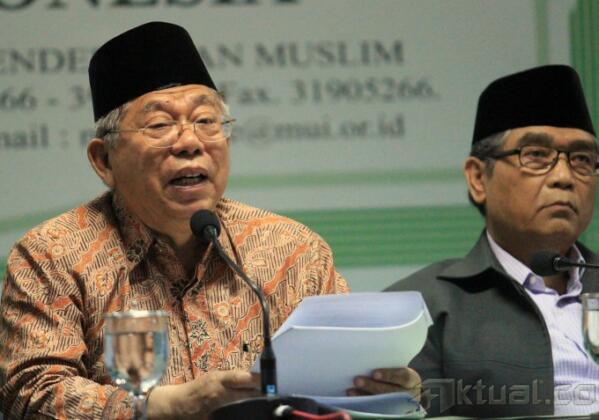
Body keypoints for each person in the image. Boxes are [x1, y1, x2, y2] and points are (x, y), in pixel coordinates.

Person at [0, 22, 353, 419]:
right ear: (104, 160)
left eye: (206, 121)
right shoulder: (52, 255)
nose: (190, 142)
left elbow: (340, 374)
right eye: (159, 125)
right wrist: (163, 408)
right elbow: (29, 394)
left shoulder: (293, 251)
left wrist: (378, 384)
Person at [384, 65, 599, 417]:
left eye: (582, 159)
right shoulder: (416, 307)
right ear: (478, 178)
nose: (563, 177)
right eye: (536, 155)